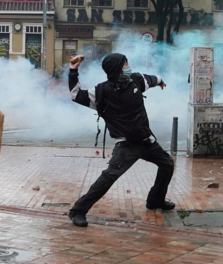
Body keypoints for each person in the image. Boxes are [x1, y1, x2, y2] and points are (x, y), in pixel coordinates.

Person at [67, 52, 174, 227]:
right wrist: (73, 70)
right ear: (117, 68)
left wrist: (161, 81)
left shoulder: (136, 80)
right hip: (126, 144)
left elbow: (153, 79)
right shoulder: (100, 92)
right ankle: (77, 211)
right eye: (125, 64)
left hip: (146, 140)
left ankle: (155, 200)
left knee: (167, 164)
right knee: (109, 176)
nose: (128, 67)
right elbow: (75, 95)